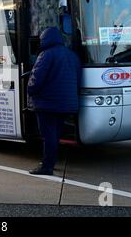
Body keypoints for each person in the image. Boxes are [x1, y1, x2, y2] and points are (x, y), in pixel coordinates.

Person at [27, 27, 81, 175]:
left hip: (47, 103)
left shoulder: (46, 55)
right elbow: (77, 79)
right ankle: (51, 161)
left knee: (48, 135)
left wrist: (30, 90)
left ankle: (47, 166)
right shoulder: (72, 55)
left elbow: (36, 79)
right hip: (66, 103)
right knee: (55, 134)